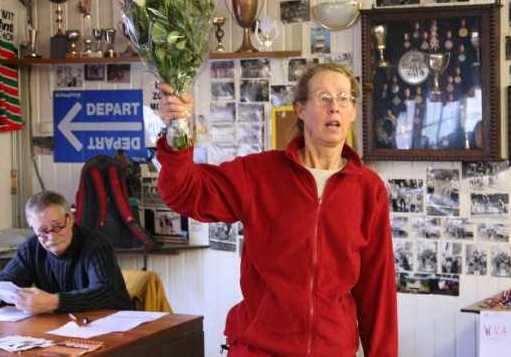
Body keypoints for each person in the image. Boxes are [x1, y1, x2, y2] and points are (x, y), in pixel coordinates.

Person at [156, 62, 397, 357]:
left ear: (353, 112)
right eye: (324, 97)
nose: (334, 106)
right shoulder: (259, 173)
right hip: (259, 349)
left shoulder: (368, 189)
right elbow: (183, 192)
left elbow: (377, 291)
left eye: (344, 98)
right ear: (301, 109)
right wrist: (177, 129)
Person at [0, 191, 132, 314]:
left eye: (57, 226)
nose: (52, 236)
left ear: (70, 218)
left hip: (113, 324)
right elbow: (6, 282)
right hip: (63, 325)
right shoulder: (32, 248)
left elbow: (104, 293)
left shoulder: (96, 244)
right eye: (43, 230)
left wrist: (55, 302)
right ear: (33, 229)